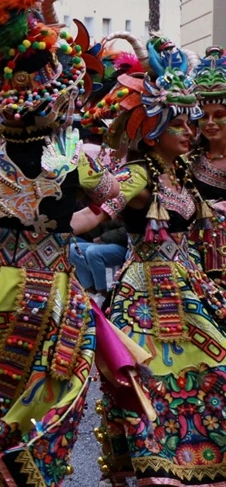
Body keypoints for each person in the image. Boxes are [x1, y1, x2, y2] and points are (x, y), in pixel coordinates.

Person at [0, 0, 127, 485]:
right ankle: (4, 473)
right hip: (50, 293)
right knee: (49, 393)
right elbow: (100, 208)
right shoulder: (76, 161)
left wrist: (7, 238)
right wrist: (90, 216)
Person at [78, 34, 226, 486]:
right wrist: (55, 222)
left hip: (188, 287)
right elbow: (96, 211)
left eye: (192, 123)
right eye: (181, 124)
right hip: (146, 296)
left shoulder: (180, 173)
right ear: (156, 127)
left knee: (215, 372)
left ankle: (195, 463)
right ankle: (155, 467)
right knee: (149, 381)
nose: (191, 131)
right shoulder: (141, 173)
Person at [191, 45, 226, 284]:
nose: (210, 122)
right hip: (192, 253)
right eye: (204, 116)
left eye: (219, 114)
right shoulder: (187, 158)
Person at [67, 217, 127, 294]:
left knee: (92, 251)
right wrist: (92, 220)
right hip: (101, 243)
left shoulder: (119, 207)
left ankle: (103, 292)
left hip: (121, 245)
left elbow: (125, 231)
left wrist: (103, 238)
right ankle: (89, 290)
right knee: (72, 249)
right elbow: (94, 233)